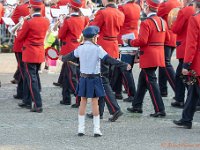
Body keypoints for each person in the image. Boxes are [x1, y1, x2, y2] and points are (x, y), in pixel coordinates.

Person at [60, 26, 131, 137]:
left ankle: (81, 129)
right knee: (96, 100)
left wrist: (63, 58)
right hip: (98, 71)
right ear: (94, 37)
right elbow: (110, 59)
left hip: (86, 77)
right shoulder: (97, 48)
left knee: (85, 100)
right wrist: (123, 65)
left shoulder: (81, 47)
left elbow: (68, 57)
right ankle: (97, 127)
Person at [125, 0, 169, 117]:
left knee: (152, 83)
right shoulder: (162, 21)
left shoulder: (146, 23)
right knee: (142, 81)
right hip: (158, 54)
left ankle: (160, 109)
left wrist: (130, 41)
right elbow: (167, 38)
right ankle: (137, 106)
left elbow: (142, 41)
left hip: (149, 55)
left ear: (148, 7)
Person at [89, 0, 125, 122]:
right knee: (105, 80)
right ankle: (99, 111)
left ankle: (115, 109)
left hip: (103, 48)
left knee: (102, 81)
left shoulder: (102, 12)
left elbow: (93, 29)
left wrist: (90, 21)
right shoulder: (120, 13)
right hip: (113, 48)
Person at [17, 0, 49, 113]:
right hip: (39, 51)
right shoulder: (46, 20)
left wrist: (21, 25)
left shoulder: (29, 22)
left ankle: (38, 104)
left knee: (31, 79)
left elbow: (20, 37)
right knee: (31, 76)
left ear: (31, 8)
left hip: (30, 52)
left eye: (29, 7)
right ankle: (27, 100)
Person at [173, 0, 200, 129]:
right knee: (193, 91)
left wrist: (186, 64)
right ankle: (186, 119)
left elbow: (191, 45)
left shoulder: (195, 19)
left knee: (195, 89)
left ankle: (186, 119)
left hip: (197, 63)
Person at [58, 0, 89, 107]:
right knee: (68, 76)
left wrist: (61, 24)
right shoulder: (83, 18)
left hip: (69, 49)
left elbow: (61, 35)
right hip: (78, 46)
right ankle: (66, 98)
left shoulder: (68, 20)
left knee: (71, 76)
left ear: (71, 8)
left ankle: (79, 99)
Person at [111, 0, 140, 102]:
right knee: (120, 67)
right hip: (133, 37)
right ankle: (117, 91)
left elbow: (119, 22)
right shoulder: (137, 6)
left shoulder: (123, 7)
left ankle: (132, 94)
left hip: (124, 38)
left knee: (125, 68)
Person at [171, 0, 195, 108]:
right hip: (194, 47)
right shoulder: (194, 10)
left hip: (185, 46)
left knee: (181, 75)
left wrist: (174, 21)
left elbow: (176, 29)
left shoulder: (184, 11)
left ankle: (180, 99)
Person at [157, 0, 182, 97]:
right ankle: (163, 90)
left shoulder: (165, 4)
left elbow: (158, 14)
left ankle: (178, 90)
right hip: (174, 37)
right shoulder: (178, 3)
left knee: (165, 63)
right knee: (163, 64)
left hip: (166, 37)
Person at [11, 0, 30, 100]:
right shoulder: (41, 6)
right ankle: (22, 92)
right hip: (30, 44)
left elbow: (13, 22)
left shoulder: (20, 8)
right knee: (27, 70)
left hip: (20, 43)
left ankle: (24, 93)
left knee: (23, 71)